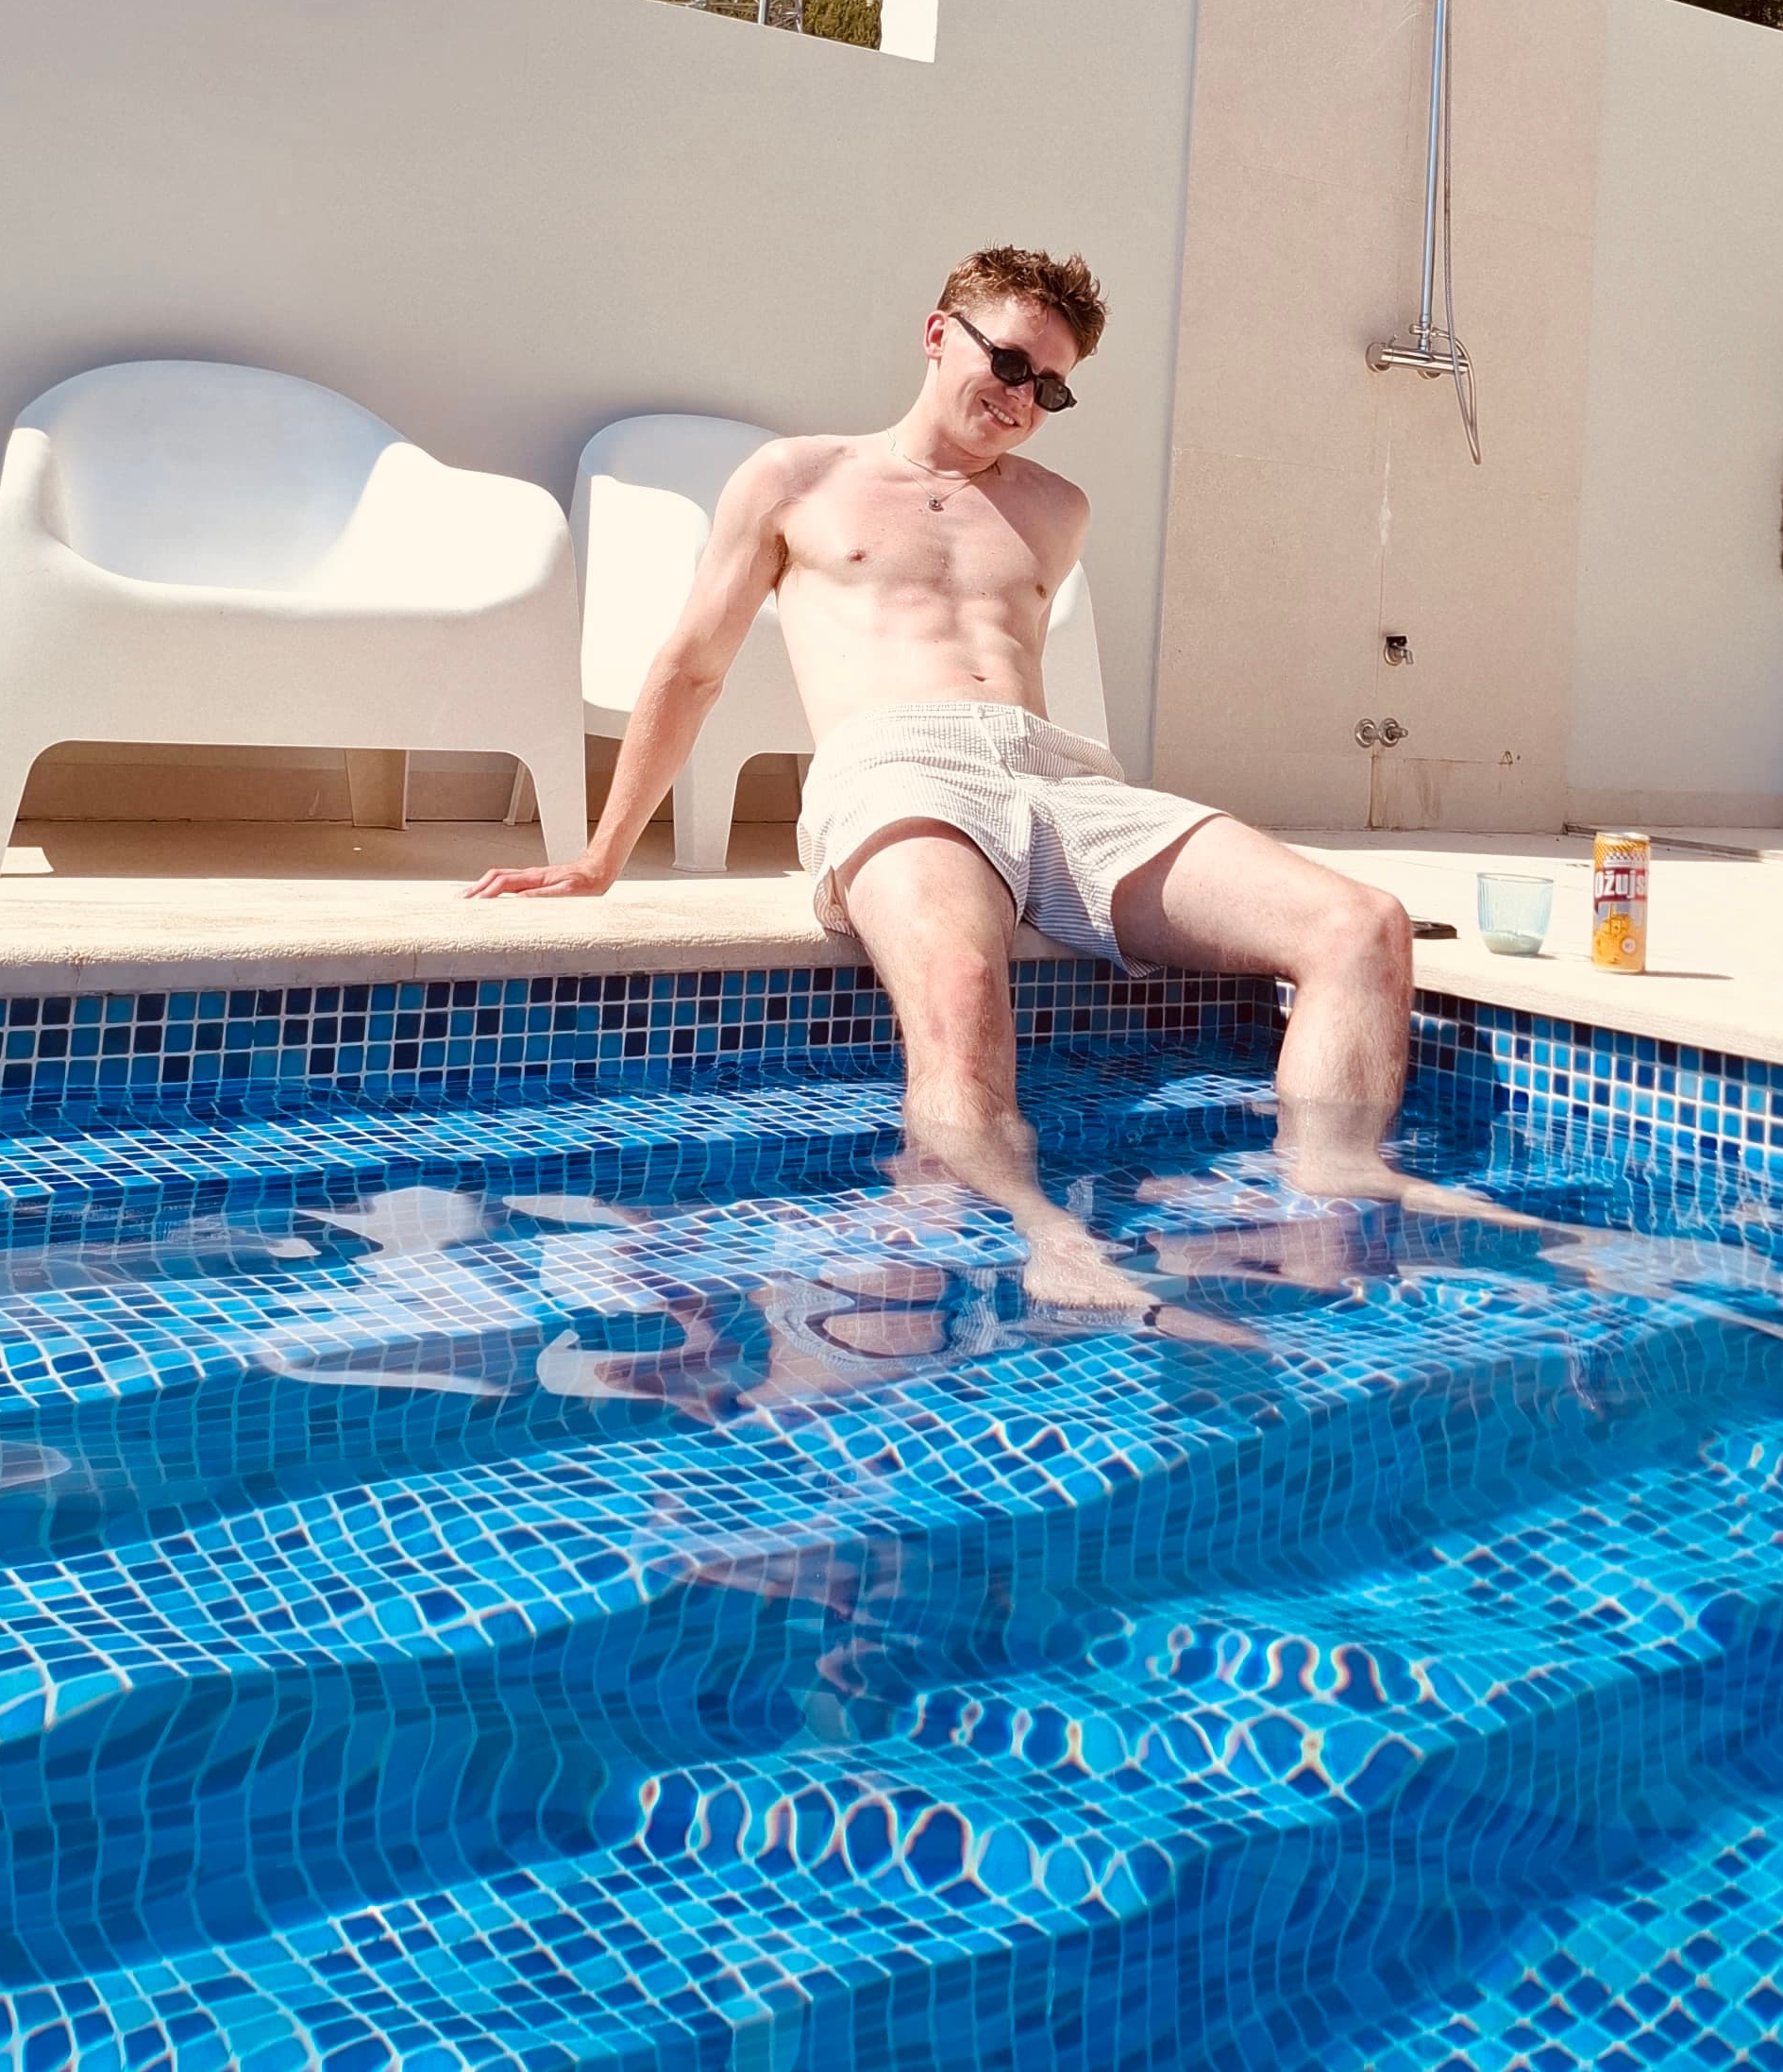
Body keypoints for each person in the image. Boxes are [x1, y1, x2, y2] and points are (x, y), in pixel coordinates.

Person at [472, 246, 1470, 1310]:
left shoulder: (1057, 507)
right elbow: (691, 667)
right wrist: (600, 858)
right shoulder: (797, 479)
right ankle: (1038, 1238)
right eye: (1008, 363)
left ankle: (1330, 1202)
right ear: (937, 330)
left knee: (1361, 925)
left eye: (1051, 387)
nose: (1022, 401)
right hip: (899, 768)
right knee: (958, 980)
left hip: (1064, 778)